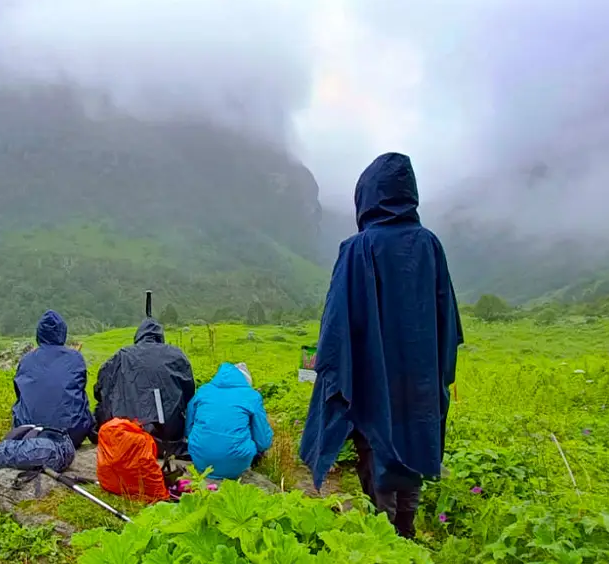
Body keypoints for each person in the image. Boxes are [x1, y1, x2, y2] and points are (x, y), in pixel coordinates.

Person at [299, 153, 464, 539]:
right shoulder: (429, 246)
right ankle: (405, 534)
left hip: (373, 383)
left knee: (377, 455)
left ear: (367, 196)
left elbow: (336, 326)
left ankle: (387, 539)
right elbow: (447, 321)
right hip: (420, 386)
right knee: (412, 454)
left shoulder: (358, 248)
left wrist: (331, 375)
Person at [93, 318, 195, 452]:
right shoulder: (176, 355)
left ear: (138, 336)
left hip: (126, 433)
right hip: (167, 437)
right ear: (160, 337)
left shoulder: (122, 355)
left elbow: (99, 389)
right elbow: (189, 393)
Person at [11, 310, 96, 447]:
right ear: (62, 332)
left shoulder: (26, 360)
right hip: (71, 435)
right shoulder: (75, 358)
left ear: (39, 333)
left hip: (30, 434)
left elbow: (19, 394)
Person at [186, 362, 273, 480]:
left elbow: (188, 428)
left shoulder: (203, 390)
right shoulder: (252, 396)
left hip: (200, 460)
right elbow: (263, 441)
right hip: (236, 465)